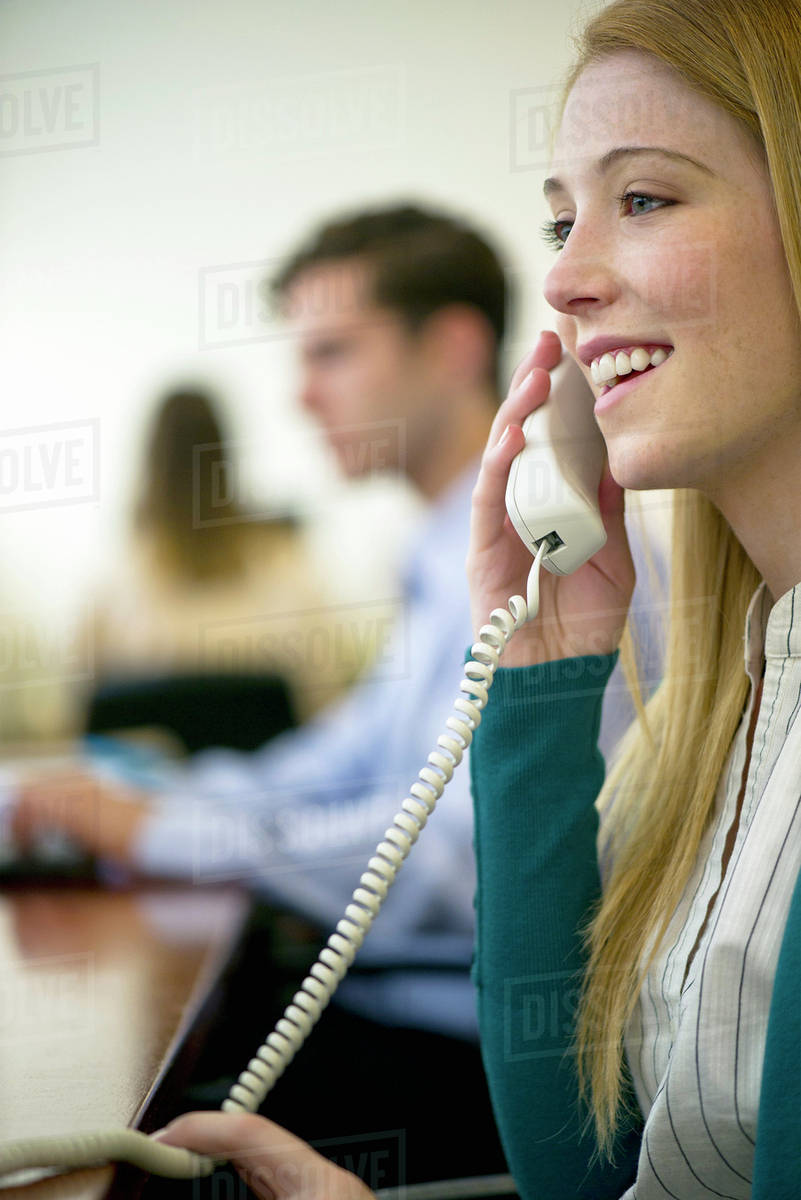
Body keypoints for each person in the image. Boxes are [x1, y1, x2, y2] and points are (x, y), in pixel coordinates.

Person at [146, 0, 801, 1196]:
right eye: (559, 221)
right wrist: (537, 685)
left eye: (643, 199)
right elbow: (580, 1171)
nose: (562, 276)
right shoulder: (734, 693)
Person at [13, 205, 664, 1186]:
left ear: (451, 345)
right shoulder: (444, 551)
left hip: (465, 1062)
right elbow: (339, 766)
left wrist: (164, 831)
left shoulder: (549, 563)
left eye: (332, 354)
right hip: (411, 1018)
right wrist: (161, 801)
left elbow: (454, 861)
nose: (302, 397)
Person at [82, 386, 356, 725]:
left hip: (154, 776)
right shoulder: (286, 566)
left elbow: (85, 717)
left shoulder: (117, 586)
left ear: (151, 461)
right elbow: (327, 709)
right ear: (225, 457)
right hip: (276, 771)